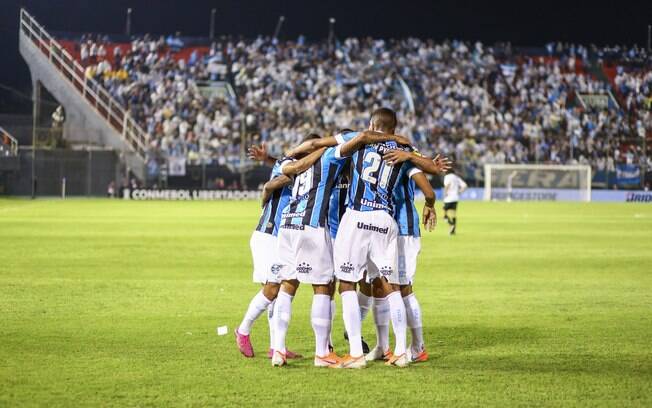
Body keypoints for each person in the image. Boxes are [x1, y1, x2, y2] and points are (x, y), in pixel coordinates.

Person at [331, 108, 422, 368]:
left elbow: (349, 144)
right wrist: (406, 145)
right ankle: (402, 351)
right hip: (386, 219)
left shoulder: (360, 142)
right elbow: (427, 166)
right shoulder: (401, 150)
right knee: (390, 285)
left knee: (347, 283)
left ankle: (356, 353)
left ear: (371, 124)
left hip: (358, 215)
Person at [234, 144, 307, 360]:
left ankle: (277, 346)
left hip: (282, 237)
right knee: (273, 288)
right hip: (268, 236)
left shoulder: (302, 174)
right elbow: (271, 183)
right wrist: (281, 182)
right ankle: (243, 330)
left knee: (281, 293)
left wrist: (267, 158)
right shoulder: (290, 169)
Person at [443, 168, 467, 235]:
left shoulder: (447, 177)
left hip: (448, 198)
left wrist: (445, 194)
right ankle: (453, 231)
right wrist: (459, 192)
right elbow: (465, 186)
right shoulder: (456, 177)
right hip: (455, 198)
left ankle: (451, 225)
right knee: (453, 214)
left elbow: (447, 185)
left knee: (444, 213)